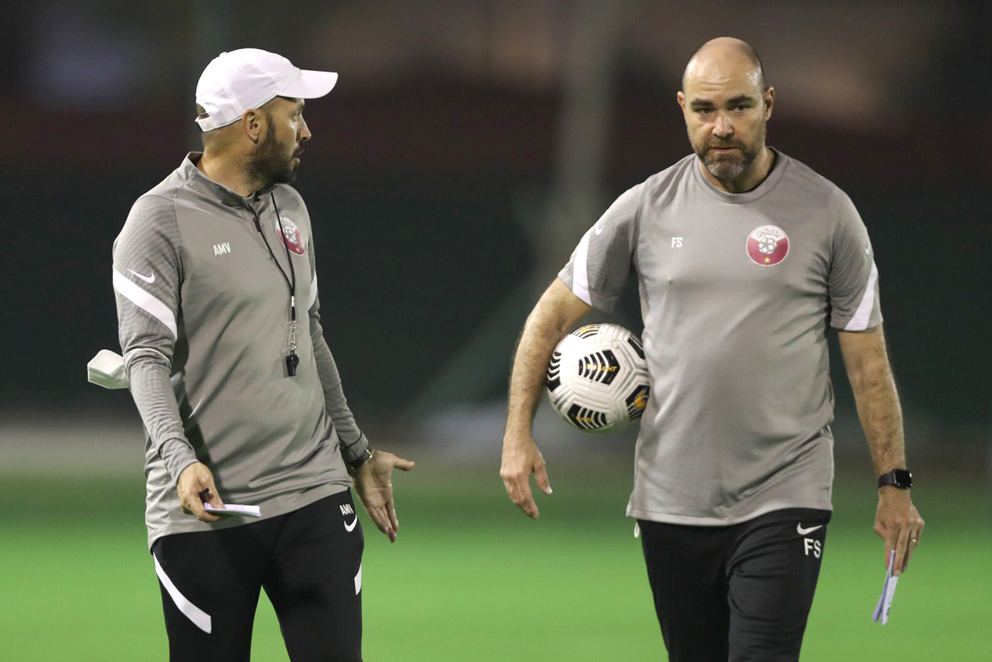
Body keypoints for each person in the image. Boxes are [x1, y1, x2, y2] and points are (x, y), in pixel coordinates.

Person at [500, 37, 924, 661]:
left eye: (738, 106)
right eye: (704, 109)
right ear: (682, 109)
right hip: (672, 500)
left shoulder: (828, 213)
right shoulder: (644, 208)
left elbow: (868, 363)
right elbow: (548, 317)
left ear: (768, 104)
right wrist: (517, 431)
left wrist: (894, 483)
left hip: (787, 493)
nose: (721, 126)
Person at [111, 48, 413, 661]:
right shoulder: (157, 220)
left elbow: (310, 332)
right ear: (253, 125)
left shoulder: (291, 207)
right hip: (209, 510)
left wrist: (356, 453)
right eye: (294, 115)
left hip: (314, 495)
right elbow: (144, 357)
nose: (308, 130)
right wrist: (178, 460)